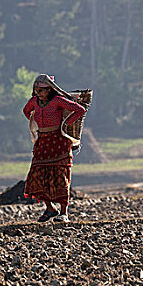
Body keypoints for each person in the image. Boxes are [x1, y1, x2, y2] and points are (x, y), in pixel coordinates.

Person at [23, 74, 86, 223]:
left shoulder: (58, 101)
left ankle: (64, 212)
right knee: (37, 175)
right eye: (36, 90)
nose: (38, 93)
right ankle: (50, 208)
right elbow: (26, 111)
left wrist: (66, 124)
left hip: (59, 143)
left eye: (42, 90)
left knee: (60, 177)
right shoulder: (34, 102)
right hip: (43, 143)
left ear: (50, 90)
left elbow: (80, 110)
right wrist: (35, 123)